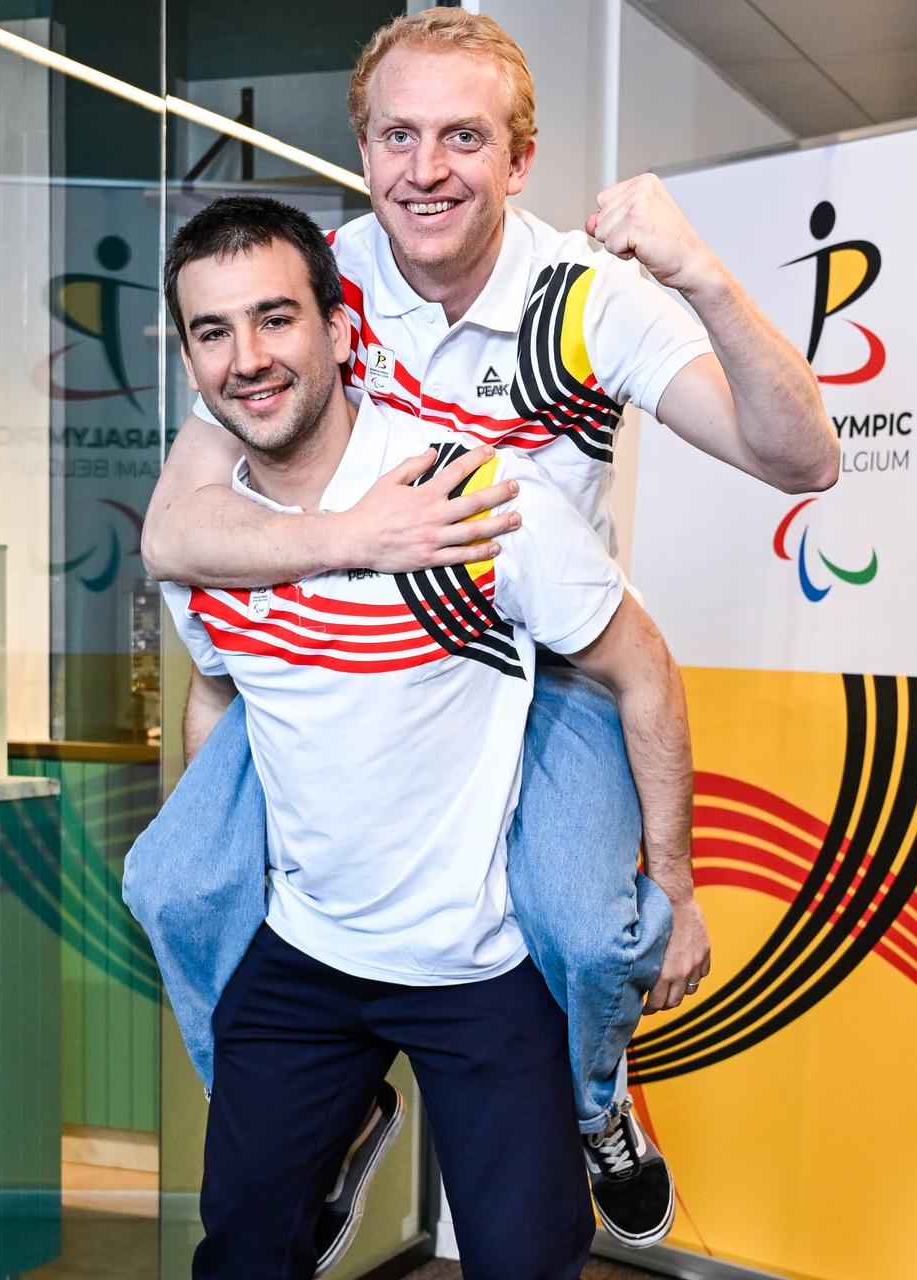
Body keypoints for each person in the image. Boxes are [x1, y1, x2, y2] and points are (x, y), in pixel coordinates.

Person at [126, 8, 839, 1257]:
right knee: (174, 881)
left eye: (464, 136)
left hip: (543, 656)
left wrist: (702, 276)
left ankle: (597, 1102)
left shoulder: (588, 300)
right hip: (344, 635)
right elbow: (178, 532)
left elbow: (802, 458)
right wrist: (361, 537)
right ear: (363, 149)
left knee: (584, 925)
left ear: (519, 159)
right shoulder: (311, 286)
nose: (426, 168)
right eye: (398, 135)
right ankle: (319, 1118)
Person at [151, 194, 696, 1279]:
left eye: (275, 318)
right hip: (306, 955)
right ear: (189, 361)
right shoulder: (207, 537)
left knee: (526, 1263)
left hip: (480, 965)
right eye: (213, 332)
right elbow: (214, 689)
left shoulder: (471, 495)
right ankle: (341, 1128)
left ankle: (599, 1111)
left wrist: (675, 884)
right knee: (244, 1252)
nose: (247, 358)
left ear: (339, 329)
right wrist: (225, 857)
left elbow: (644, 671)